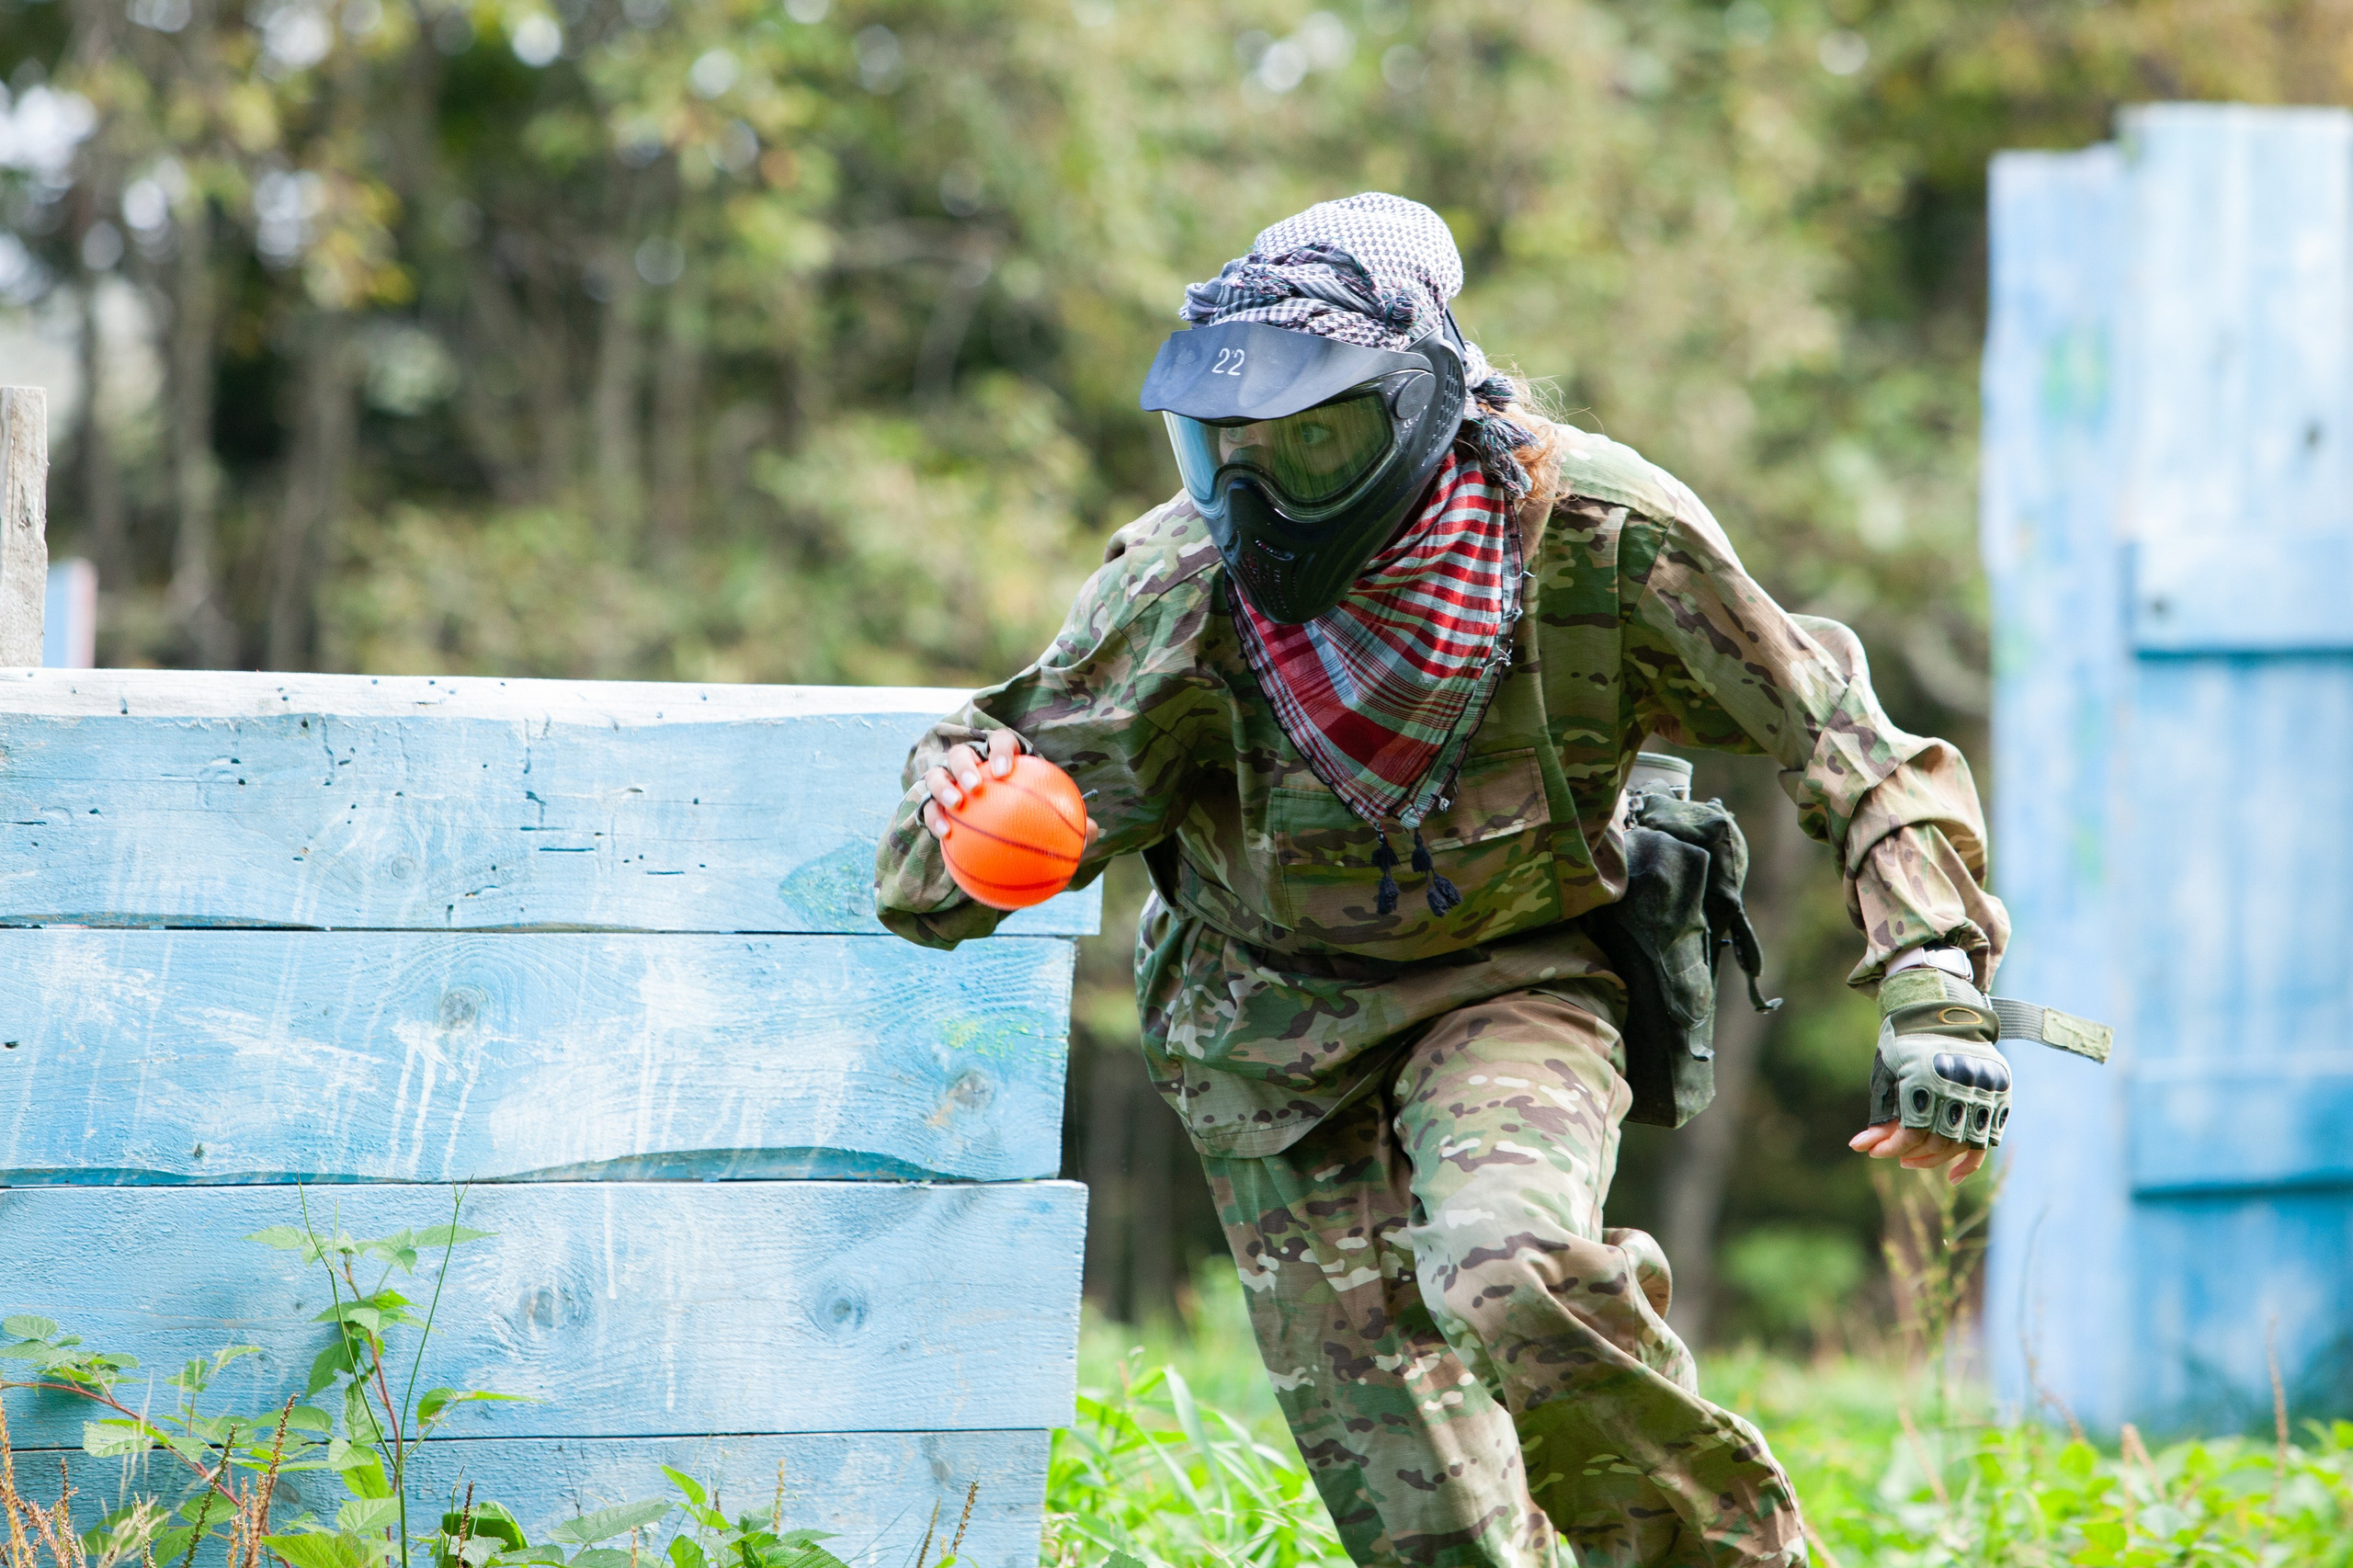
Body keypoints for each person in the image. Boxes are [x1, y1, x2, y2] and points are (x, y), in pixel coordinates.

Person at [872, 193, 2012, 1568]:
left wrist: (1934, 980)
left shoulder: (1597, 534)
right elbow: (964, 853)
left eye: (1313, 442)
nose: (1259, 496)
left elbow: (1844, 739)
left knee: (1510, 1268)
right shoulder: (1178, 589)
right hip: (1263, 1039)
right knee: (1433, 1531)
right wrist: (961, 821)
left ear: (1418, 407)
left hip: (1513, 983)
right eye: (1226, 450)